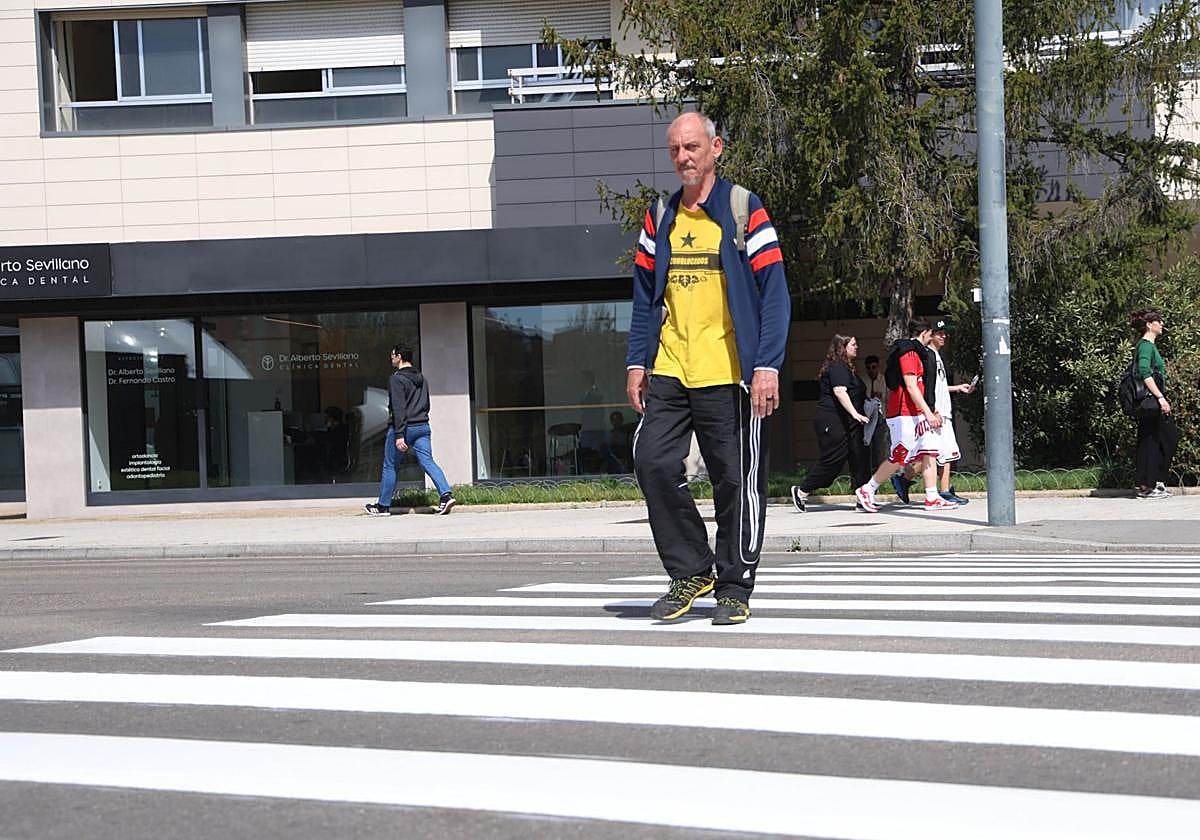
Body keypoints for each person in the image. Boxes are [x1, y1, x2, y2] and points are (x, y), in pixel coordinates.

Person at [627, 111, 790, 626]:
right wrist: (637, 360)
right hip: (672, 368)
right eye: (675, 149)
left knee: (734, 481)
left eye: (692, 147)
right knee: (651, 462)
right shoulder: (661, 217)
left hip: (730, 374)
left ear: (716, 148)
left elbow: (774, 295)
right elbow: (642, 297)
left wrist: (767, 365)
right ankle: (691, 570)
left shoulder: (744, 210)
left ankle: (735, 585)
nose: (683, 157)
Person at [854, 318, 958, 512]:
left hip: (917, 411)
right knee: (900, 455)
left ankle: (932, 496)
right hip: (903, 413)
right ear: (925, 333)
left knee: (929, 450)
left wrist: (929, 408)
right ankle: (867, 490)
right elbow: (910, 386)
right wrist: (928, 412)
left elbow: (922, 386)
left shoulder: (920, 353)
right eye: (930, 333)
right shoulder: (909, 352)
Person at [891, 318, 975, 505]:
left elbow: (939, 385)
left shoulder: (936, 356)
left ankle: (908, 480)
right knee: (941, 453)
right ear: (928, 336)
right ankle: (940, 491)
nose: (944, 336)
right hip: (936, 412)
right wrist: (931, 410)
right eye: (939, 333)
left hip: (941, 410)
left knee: (942, 453)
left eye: (945, 333)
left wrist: (957, 388)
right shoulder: (927, 355)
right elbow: (927, 387)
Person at [365, 345, 456, 516]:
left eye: (392, 355)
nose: (391, 358)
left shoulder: (396, 379)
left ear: (399, 356)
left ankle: (383, 506)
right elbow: (426, 404)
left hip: (404, 428)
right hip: (422, 426)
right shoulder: (422, 378)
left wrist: (399, 434)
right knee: (428, 461)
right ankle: (446, 495)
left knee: (390, 465)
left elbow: (398, 408)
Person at [790, 334, 871, 512]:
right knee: (833, 460)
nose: (856, 347)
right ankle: (802, 491)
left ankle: (863, 497)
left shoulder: (849, 369)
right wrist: (855, 413)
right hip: (832, 421)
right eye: (853, 344)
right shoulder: (838, 367)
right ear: (843, 347)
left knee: (859, 459)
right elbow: (840, 391)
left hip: (849, 423)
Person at [1130, 308, 1178, 499]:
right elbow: (1144, 372)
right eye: (1159, 321)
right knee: (1163, 439)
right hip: (1151, 402)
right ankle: (1148, 486)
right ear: (1150, 325)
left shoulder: (1149, 346)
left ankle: (1153, 483)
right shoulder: (1146, 345)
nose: (1162, 324)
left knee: (1155, 439)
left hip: (1151, 402)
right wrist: (1160, 397)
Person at [860, 353, 889, 466]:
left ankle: (879, 470)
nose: (871, 370)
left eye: (874, 367)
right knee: (867, 445)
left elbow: (888, 398)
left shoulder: (884, 380)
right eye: (869, 368)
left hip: (881, 416)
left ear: (878, 366)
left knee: (880, 446)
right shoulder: (863, 380)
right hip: (867, 416)